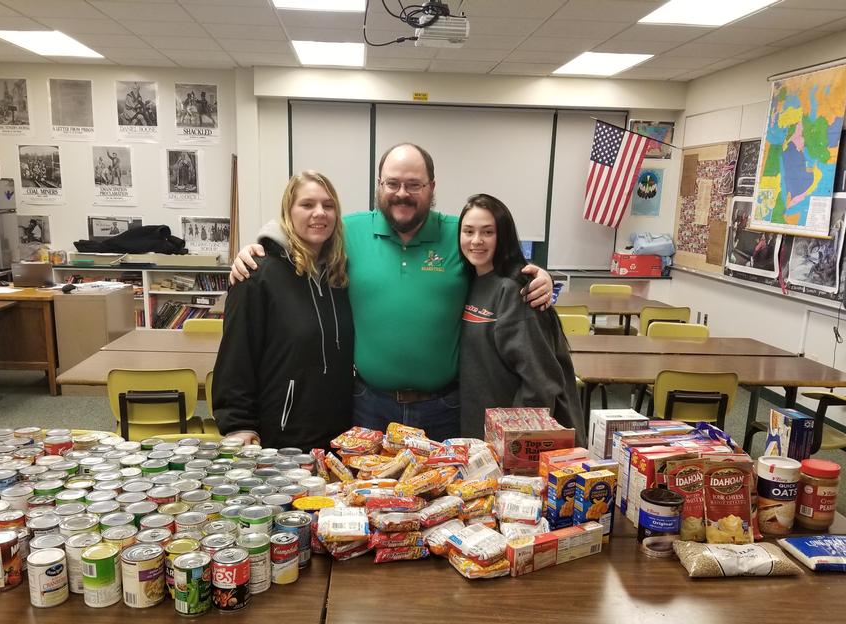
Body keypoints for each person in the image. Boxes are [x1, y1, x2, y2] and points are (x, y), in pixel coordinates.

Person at [230, 143, 553, 442]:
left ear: (432, 187)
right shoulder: (348, 231)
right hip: (368, 407)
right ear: (379, 185)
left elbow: (499, 258)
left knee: (446, 488)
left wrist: (537, 275)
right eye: (393, 183)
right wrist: (259, 248)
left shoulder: (459, 233)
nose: (402, 194)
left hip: (445, 409)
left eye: (414, 185)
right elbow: (301, 231)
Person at [212, 171, 353, 450]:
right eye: (307, 204)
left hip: (338, 436)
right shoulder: (256, 274)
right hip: (282, 436)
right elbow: (237, 355)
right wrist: (238, 424)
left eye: (328, 205)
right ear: (288, 212)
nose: (319, 212)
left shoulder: (340, 275)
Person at [457, 194, 585, 444]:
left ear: (503, 236)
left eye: (488, 232)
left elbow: (539, 382)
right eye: (468, 231)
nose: (476, 240)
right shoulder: (468, 281)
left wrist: (514, 442)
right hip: (476, 426)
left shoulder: (518, 290)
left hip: (510, 436)